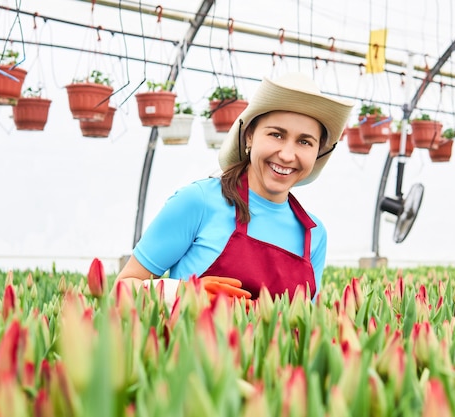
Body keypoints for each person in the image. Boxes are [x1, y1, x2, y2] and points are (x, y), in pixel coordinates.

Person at [115, 72, 353, 302]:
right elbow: (123, 288)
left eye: (304, 142)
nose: (287, 154)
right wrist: (184, 293)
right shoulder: (199, 201)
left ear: (317, 152)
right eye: (276, 135)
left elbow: (306, 324)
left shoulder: (313, 234)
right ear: (249, 136)